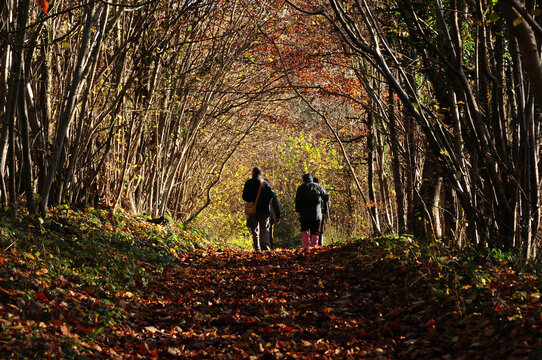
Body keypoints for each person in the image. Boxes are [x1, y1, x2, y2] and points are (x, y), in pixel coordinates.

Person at [242, 167, 274, 251]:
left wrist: (251, 200)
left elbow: (244, 196)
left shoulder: (248, 183)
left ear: (253, 173)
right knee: (265, 229)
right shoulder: (265, 183)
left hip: (253, 210)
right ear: (260, 173)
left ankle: (257, 248)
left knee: (255, 229)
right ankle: (266, 247)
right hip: (264, 210)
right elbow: (270, 196)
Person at [295, 173, 329, 248]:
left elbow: (297, 200)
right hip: (317, 214)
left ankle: (306, 247)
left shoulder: (301, 188)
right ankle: (314, 247)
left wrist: (298, 211)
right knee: (315, 231)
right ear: (311, 179)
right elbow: (326, 198)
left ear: (304, 180)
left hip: (304, 214)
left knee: (304, 230)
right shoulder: (318, 186)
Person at [313, 177, 329, 246]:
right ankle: (320, 244)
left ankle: (313, 244)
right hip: (320, 213)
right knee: (320, 229)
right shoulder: (320, 190)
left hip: (311, 213)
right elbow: (326, 200)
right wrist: (326, 212)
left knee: (313, 229)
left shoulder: (307, 189)